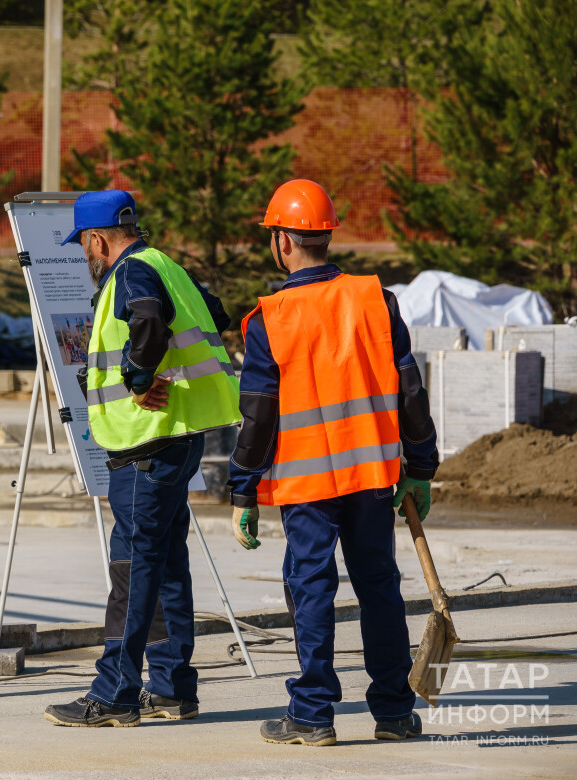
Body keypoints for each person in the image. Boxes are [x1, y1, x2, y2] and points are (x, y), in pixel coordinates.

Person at [229, 179, 439, 746]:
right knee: (379, 587)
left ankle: (313, 715)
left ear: (282, 241)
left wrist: (243, 489)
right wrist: (421, 467)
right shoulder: (376, 299)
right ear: (326, 236)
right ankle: (394, 712)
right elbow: (410, 390)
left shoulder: (269, 318)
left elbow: (258, 415)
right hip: (372, 477)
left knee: (312, 590)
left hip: (306, 487)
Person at [44, 190, 241, 727]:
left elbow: (149, 319)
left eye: (84, 246)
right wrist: (159, 369)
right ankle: (173, 688)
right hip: (177, 437)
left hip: (146, 445)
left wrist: (138, 378)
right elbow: (215, 313)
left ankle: (115, 693)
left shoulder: (130, 273)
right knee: (167, 563)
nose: (86, 255)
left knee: (133, 567)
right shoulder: (166, 265)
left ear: (97, 239)